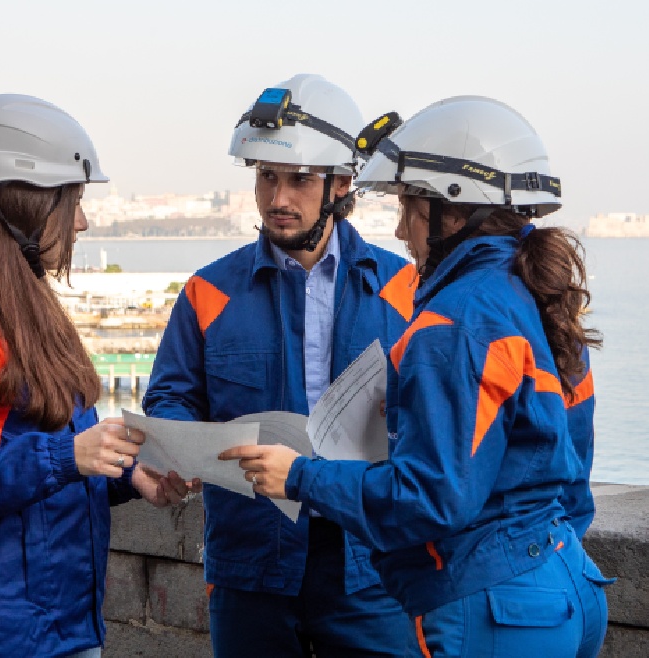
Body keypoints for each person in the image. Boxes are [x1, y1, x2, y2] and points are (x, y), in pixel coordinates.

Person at [222, 96, 612, 657]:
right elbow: (573, 473)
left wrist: (299, 476)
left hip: (491, 607)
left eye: (408, 207)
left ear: (453, 212)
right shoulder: (538, 297)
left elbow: (430, 497)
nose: (402, 230)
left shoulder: (454, 321)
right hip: (563, 583)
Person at [0, 94, 197, 658]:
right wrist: (68, 457)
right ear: (27, 203)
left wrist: (129, 475)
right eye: (73, 203)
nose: (82, 222)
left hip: (63, 629)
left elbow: (45, 469)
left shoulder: (23, 311)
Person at [141, 74, 418, 656]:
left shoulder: (405, 289)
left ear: (341, 184)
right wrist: (179, 451)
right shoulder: (209, 291)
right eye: (267, 176)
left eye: (299, 179)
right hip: (250, 563)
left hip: (369, 565)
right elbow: (171, 398)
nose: (278, 199)